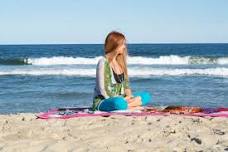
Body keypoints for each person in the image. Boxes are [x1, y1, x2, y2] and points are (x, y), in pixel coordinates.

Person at [92, 31, 151, 111]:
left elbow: (126, 86)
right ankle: (131, 106)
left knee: (146, 96)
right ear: (115, 45)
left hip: (123, 99)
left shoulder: (120, 63)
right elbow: (103, 90)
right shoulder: (103, 62)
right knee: (119, 103)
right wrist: (123, 100)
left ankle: (128, 106)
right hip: (105, 101)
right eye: (122, 44)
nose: (124, 47)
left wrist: (129, 97)